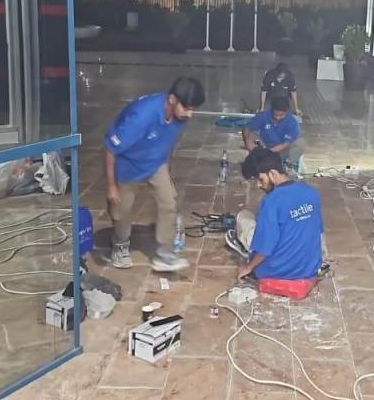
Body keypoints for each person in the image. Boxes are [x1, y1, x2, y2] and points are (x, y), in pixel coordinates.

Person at [104, 77, 205, 272]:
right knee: (121, 211)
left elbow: (169, 140)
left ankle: (164, 252)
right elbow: (109, 148)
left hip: (155, 161)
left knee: (169, 201)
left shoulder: (179, 115)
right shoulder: (141, 117)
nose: (190, 114)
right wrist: (111, 186)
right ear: (172, 100)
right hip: (127, 164)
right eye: (187, 108)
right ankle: (120, 244)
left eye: (193, 109)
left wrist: (167, 168)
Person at [225, 148, 323, 281]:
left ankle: (243, 246)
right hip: (308, 269)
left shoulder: (271, 202)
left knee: (244, 216)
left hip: (275, 271)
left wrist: (248, 267)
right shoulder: (311, 192)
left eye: (260, 179)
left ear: (272, 173)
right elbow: (318, 230)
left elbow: (265, 248)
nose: (259, 185)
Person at [242, 96, 305, 172]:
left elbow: (285, 144)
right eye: (275, 115)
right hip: (264, 147)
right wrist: (248, 143)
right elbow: (247, 128)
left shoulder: (292, 122)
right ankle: (256, 161)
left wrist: (268, 153)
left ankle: (287, 165)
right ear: (272, 110)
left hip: (281, 151)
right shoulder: (264, 115)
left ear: (286, 111)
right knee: (251, 135)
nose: (278, 118)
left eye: (281, 115)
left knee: (300, 143)